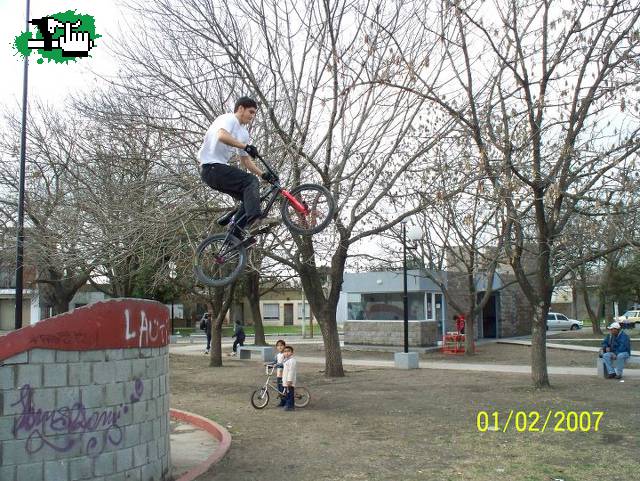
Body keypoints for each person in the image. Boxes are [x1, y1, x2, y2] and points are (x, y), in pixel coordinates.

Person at [198, 96, 278, 239]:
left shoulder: (243, 133)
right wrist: (245, 146)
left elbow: (245, 160)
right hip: (211, 167)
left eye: (254, 114)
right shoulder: (228, 119)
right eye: (251, 112)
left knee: (251, 199)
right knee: (250, 181)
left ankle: (233, 236)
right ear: (241, 108)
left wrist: (263, 174)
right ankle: (256, 221)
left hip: (217, 171)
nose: (252, 116)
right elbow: (222, 136)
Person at [271, 340, 287, 407]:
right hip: (279, 374)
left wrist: (278, 365)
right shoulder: (277, 355)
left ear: (284, 346)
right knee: (279, 389)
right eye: (278, 346)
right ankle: (282, 402)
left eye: (281, 345)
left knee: (284, 388)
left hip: (285, 374)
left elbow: (285, 363)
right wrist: (268, 364)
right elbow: (274, 362)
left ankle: (286, 402)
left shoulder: (285, 354)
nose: (280, 347)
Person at [281, 345, 297, 411]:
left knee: (290, 394)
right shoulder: (286, 360)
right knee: (287, 394)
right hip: (286, 380)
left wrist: (289, 380)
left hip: (289, 381)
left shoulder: (292, 361)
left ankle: (290, 406)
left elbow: (291, 371)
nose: (286, 353)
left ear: (292, 353)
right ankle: (288, 405)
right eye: (285, 351)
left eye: (288, 351)